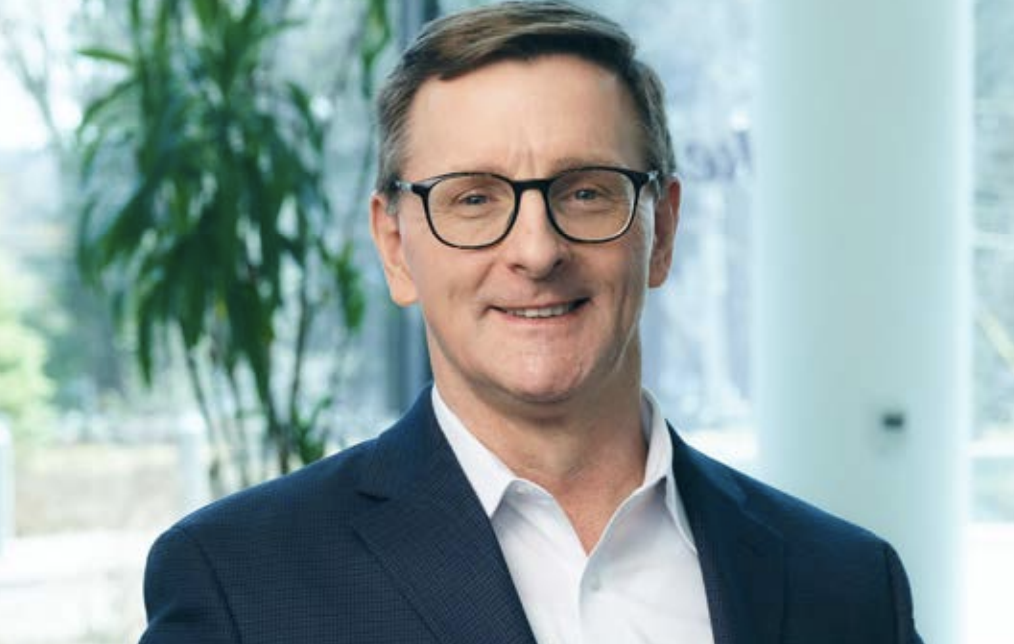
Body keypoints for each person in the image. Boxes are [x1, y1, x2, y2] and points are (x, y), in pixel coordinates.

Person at [138, 2, 923, 643]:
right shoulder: (242, 583)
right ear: (396, 248)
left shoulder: (848, 586)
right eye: (473, 198)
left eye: (585, 191)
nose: (538, 250)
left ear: (663, 228)